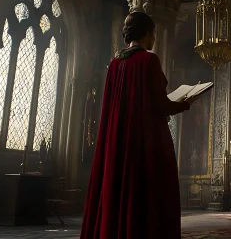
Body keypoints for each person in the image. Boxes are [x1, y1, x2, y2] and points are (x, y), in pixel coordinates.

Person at [80, 12, 198, 239]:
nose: (154, 38)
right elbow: (160, 105)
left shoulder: (115, 64)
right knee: (148, 193)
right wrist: (186, 103)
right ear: (147, 33)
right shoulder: (149, 60)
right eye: (153, 33)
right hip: (143, 143)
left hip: (117, 142)